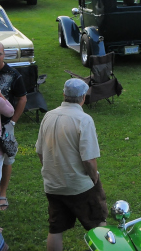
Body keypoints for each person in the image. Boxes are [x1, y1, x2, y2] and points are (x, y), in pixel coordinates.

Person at [36, 79, 107, 251]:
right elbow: (88, 159)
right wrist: (94, 178)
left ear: (64, 95)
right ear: (83, 97)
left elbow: (40, 151)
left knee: (55, 228)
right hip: (79, 186)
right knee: (99, 223)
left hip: (53, 184)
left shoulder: (48, 116)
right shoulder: (83, 119)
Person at [0, 42, 27, 213]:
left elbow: (22, 99)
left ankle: (2, 194)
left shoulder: (13, 75)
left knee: (7, 159)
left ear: (4, 55)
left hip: (5, 126)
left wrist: (13, 122)